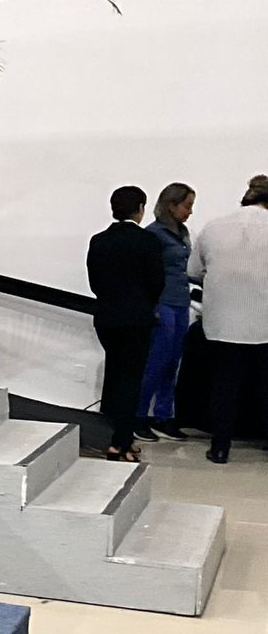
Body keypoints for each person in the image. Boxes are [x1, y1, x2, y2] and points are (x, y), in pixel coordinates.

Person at [189, 174, 268, 463]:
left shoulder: (214, 227)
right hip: (265, 320)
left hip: (223, 321)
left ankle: (220, 447)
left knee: (225, 386)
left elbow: (194, 271)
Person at [87, 185, 164, 462]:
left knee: (114, 375)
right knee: (131, 380)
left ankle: (109, 436)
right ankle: (120, 443)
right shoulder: (148, 241)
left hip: (106, 318)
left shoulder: (98, 241)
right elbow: (157, 283)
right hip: (136, 319)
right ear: (141, 208)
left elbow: (95, 283)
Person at [135, 182, 197, 440]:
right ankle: (139, 416)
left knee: (173, 363)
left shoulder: (183, 233)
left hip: (181, 302)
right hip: (162, 302)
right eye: (187, 206)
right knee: (156, 361)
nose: (190, 211)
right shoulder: (153, 234)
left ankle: (164, 415)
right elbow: (145, 273)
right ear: (172, 205)